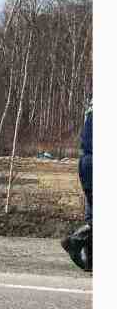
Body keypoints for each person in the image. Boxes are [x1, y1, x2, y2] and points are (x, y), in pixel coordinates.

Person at [61, 106, 92, 271]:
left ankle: (91, 261)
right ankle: (75, 241)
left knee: (93, 216)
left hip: (87, 163)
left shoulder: (91, 110)